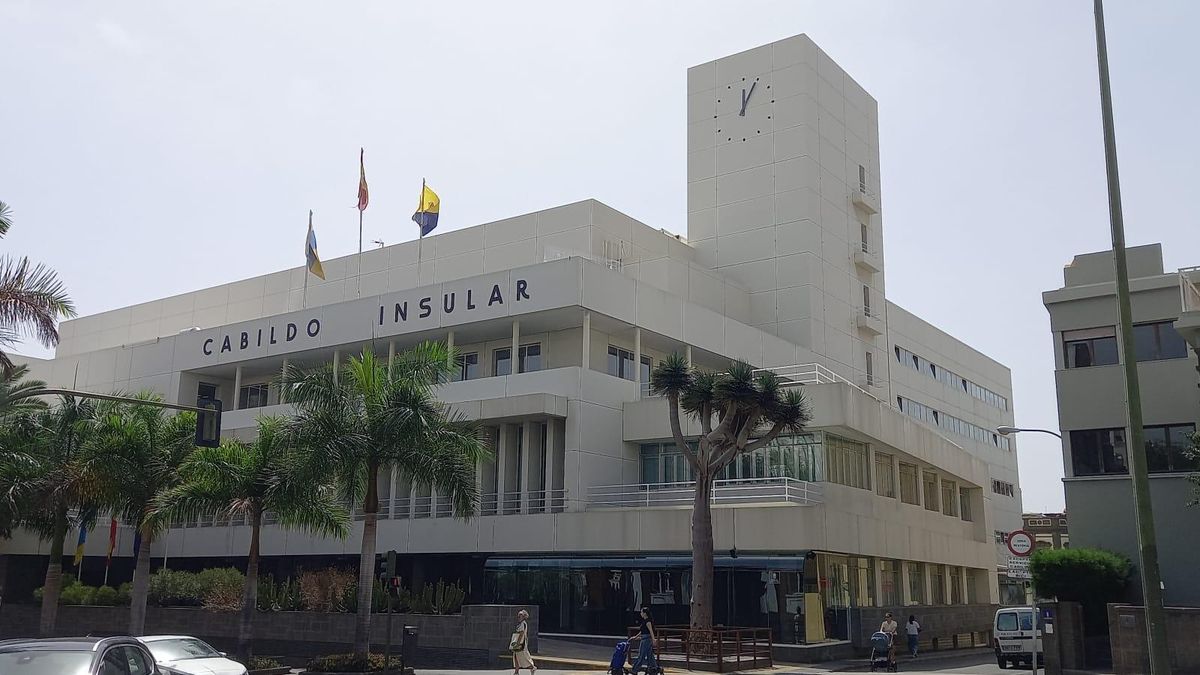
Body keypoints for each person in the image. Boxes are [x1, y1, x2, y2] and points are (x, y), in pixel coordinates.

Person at [630, 606, 658, 675]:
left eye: (641, 612)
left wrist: (653, 640)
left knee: (641, 655)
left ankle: (635, 669)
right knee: (650, 655)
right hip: (644, 638)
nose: (640, 613)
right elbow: (642, 631)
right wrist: (636, 637)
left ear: (645, 613)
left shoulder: (648, 621)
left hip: (646, 640)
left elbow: (651, 631)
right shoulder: (644, 621)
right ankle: (654, 668)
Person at [511, 609, 536, 675]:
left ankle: (532, 667)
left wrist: (517, 643)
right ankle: (516, 672)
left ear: (523, 617)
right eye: (518, 616)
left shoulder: (523, 624)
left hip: (521, 643)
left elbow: (521, 634)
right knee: (516, 656)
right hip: (521, 642)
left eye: (520, 616)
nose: (518, 617)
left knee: (523, 657)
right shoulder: (522, 624)